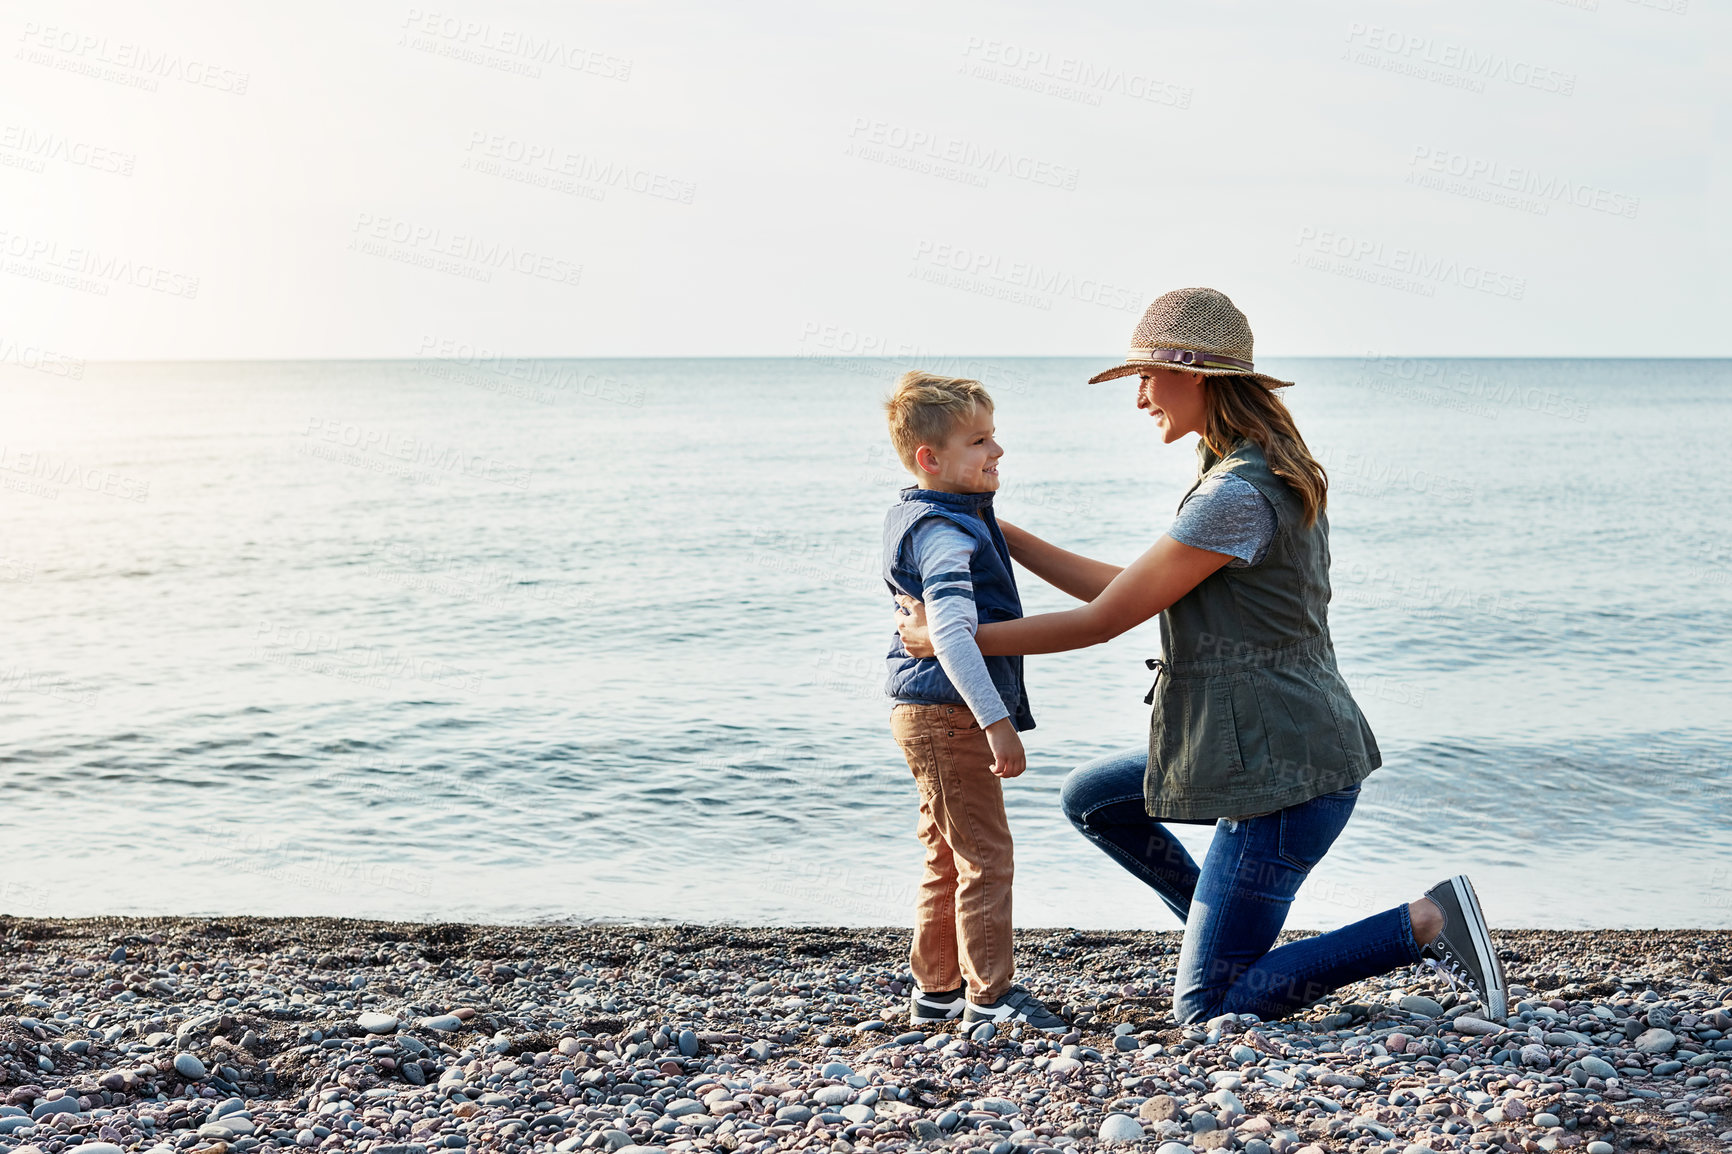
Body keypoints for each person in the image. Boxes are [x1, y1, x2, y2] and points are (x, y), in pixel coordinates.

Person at [894, 289, 1507, 1024]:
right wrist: (994, 531)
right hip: (1264, 750)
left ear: (1198, 377)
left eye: (1148, 378)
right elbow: (1129, 589)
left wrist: (950, 639)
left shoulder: (1233, 493)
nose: (1141, 396)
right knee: (1093, 799)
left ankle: (1427, 922)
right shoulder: (1246, 471)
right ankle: (1222, 937)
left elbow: (1105, 619)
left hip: (1279, 777)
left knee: (1209, 1009)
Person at [880, 371, 1067, 1033]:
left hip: (919, 710)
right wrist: (998, 724)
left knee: (944, 852)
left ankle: (937, 991)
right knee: (987, 857)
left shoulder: (936, 514)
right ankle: (991, 999)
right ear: (931, 459)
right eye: (980, 441)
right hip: (950, 715)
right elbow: (954, 637)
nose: (999, 452)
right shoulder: (944, 534)